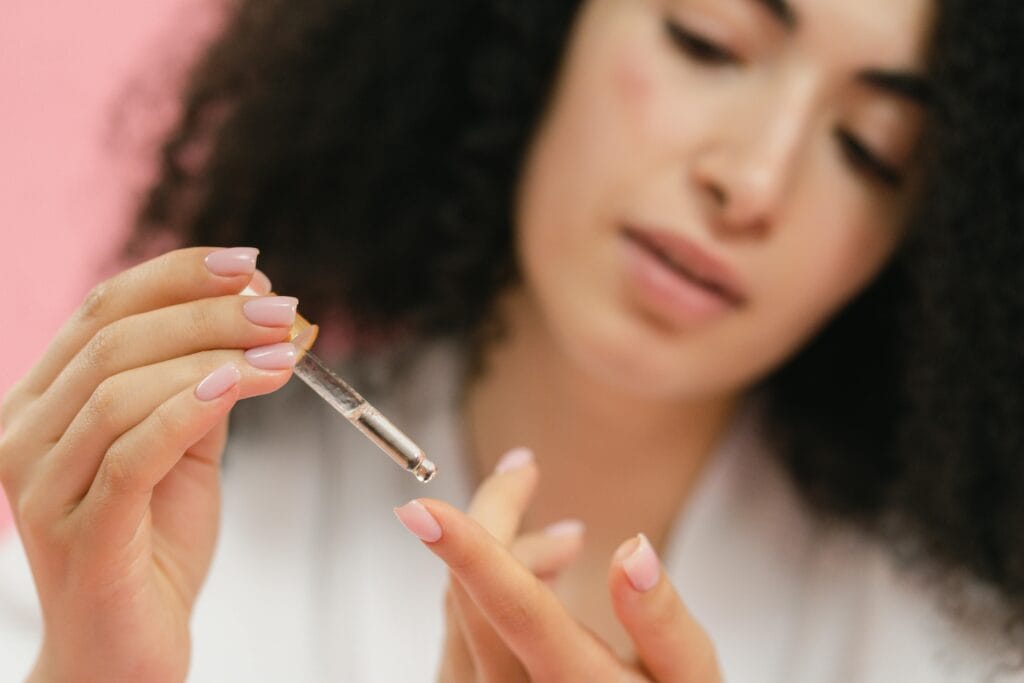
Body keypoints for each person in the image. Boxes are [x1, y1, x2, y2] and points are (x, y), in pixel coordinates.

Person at [1, 0, 1022, 680]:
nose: (751, 182)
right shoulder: (137, 552)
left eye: (870, 149)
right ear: (538, 30)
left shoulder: (954, 650)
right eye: (707, 41)